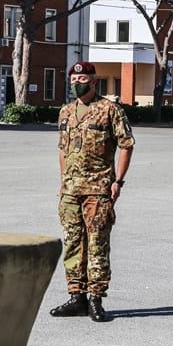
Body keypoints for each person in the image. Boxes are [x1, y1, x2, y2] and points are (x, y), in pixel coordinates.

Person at [50, 61, 135, 322]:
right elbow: (63, 150)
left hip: (98, 190)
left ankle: (96, 299)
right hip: (70, 191)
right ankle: (77, 297)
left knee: (97, 245)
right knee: (73, 243)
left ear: (93, 82)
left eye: (83, 80)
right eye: (74, 79)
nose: (77, 84)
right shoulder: (65, 112)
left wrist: (117, 182)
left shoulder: (110, 110)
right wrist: (64, 180)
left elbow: (126, 145)